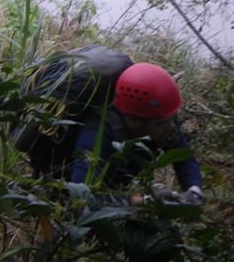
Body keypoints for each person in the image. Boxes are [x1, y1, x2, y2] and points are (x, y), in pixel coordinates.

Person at [69, 62, 204, 206]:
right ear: (133, 120)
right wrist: (144, 202)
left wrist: (194, 190)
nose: (170, 128)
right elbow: (81, 199)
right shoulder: (96, 134)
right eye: (161, 124)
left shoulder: (161, 116)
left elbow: (183, 157)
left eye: (172, 119)